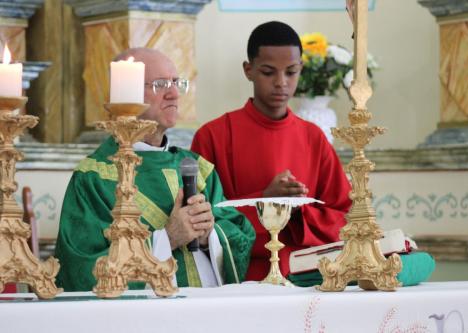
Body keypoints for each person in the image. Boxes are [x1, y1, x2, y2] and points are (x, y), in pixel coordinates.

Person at [55, 48, 255, 291]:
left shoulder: (198, 169)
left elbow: (239, 234)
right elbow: (80, 266)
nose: (173, 94)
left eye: (176, 83)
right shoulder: (95, 177)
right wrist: (166, 239)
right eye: (160, 84)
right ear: (124, 98)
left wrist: (208, 236)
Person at [191, 21, 352, 281]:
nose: (281, 83)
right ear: (248, 70)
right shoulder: (213, 136)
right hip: (236, 277)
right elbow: (198, 222)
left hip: (306, 276)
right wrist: (265, 201)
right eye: (268, 72)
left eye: (291, 72)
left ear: (301, 69)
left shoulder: (314, 138)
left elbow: (344, 218)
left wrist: (299, 212)